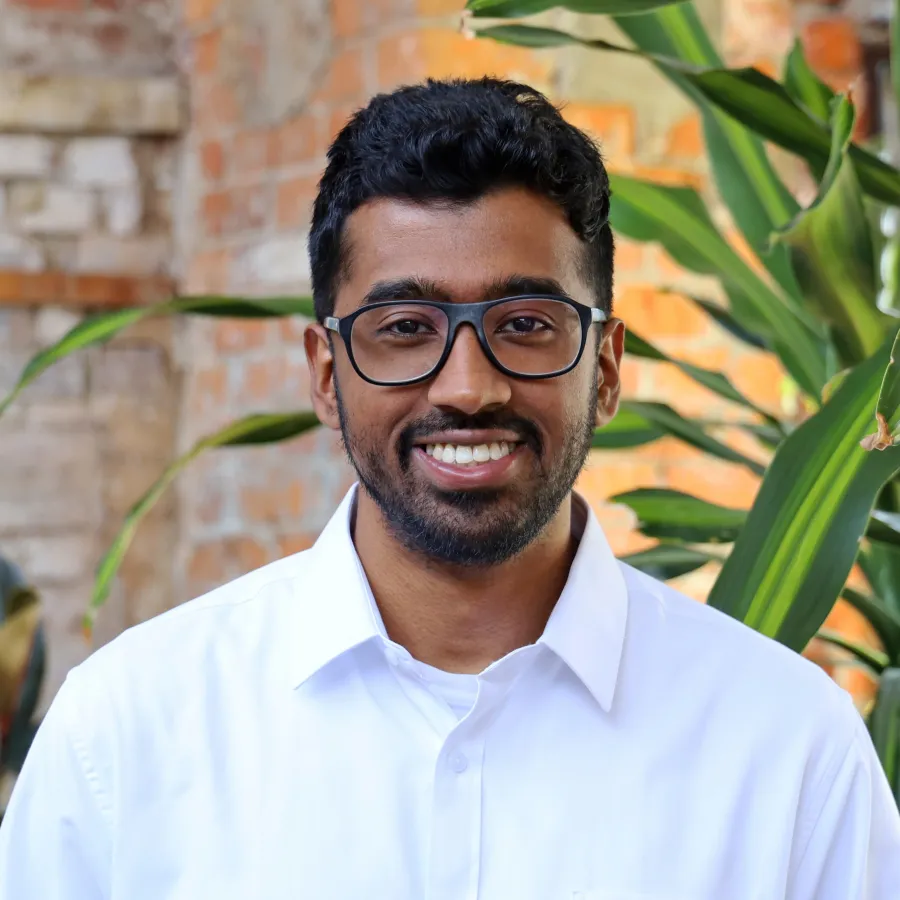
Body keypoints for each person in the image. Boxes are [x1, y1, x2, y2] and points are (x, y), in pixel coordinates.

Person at [1, 76, 898, 899]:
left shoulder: (789, 751)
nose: (468, 387)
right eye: (404, 327)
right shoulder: (127, 735)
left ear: (606, 367)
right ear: (326, 374)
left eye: (526, 323)